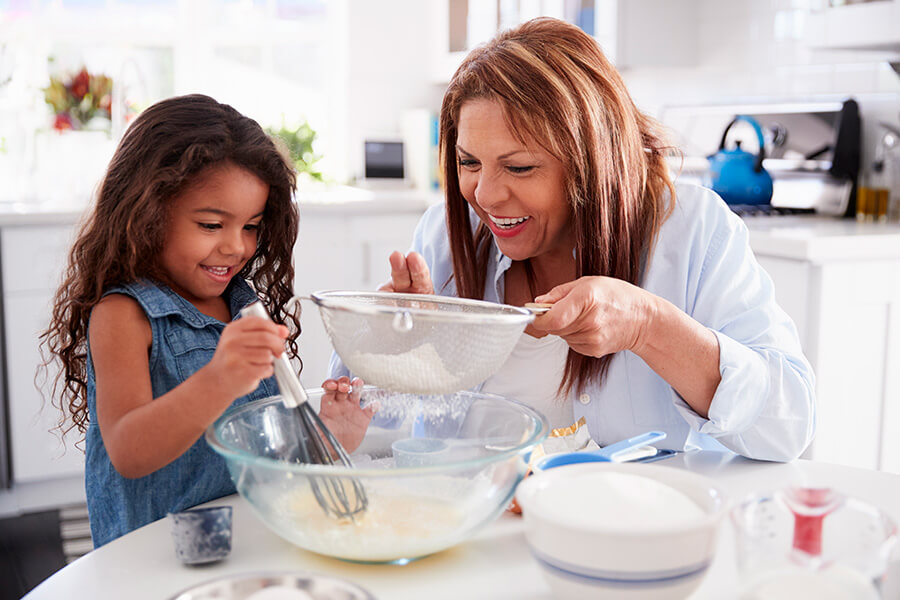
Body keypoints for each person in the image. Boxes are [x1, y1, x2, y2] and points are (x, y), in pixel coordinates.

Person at [332, 18, 815, 462]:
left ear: (593, 162)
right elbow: (364, 437)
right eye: (468, 162)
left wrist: (649, 326)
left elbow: (787, 426)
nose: (484, 195)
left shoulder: (691, 230)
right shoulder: (446, 234)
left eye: (519, 167)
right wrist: (389, 342)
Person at [40, 94, 372, 547]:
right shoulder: (124, 315)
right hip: (153, 561)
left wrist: (328, 439)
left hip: (247, 545)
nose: (236, 247)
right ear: (147, 214)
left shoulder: (242, 303)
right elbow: (129, 451)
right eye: (212, 226)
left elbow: (259, 449)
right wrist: (219, 379)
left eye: (251, 226)